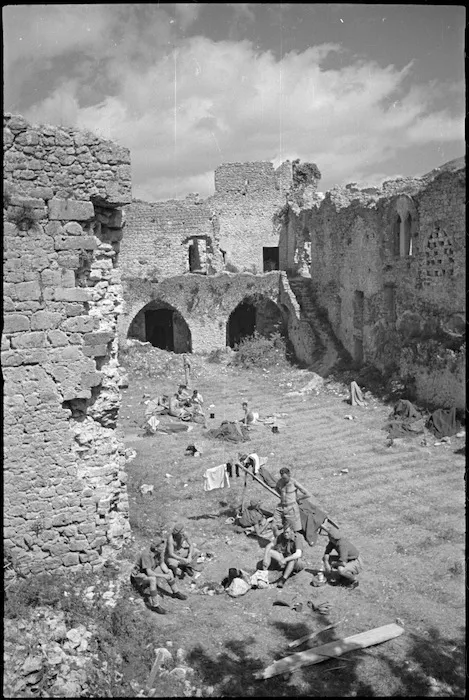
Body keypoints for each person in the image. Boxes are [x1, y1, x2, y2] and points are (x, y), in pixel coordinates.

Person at [131, 537, 188, 614]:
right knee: (152, 579)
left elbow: (162, 563)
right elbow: (150, 573)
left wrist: (167, 572)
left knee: (170, 572)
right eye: (161, 547)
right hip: (139, 575)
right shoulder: (146, 555)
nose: (163, 548)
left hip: (151, 569)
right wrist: (164, 576)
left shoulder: (159, 552)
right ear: (156, 548)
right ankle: (155, 606)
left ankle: (176, 592)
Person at [320, 521, 362, 589]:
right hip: (347, 559)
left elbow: (343, 563)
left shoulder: (342, 545)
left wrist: (332, 565)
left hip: (355, 561)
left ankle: (354, 581)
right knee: (328, 559)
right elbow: (327, 553)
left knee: (341, 569)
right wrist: (326, 563)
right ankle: (343, 577)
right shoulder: (333, 542)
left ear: (331, 537)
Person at [273, 467, 311, 537]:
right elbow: (276, 489)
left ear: (289, 475)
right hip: (281, 507)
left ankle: (295, 544)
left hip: (291, 508)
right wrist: (282, 496)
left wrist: (298, 498)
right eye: (283, 478)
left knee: (293, 529)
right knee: (275, 525)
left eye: (285, 478)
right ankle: (278, 541)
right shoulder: (280, 482)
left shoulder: (294, 482)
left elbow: (307, 494)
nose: (284, 480)